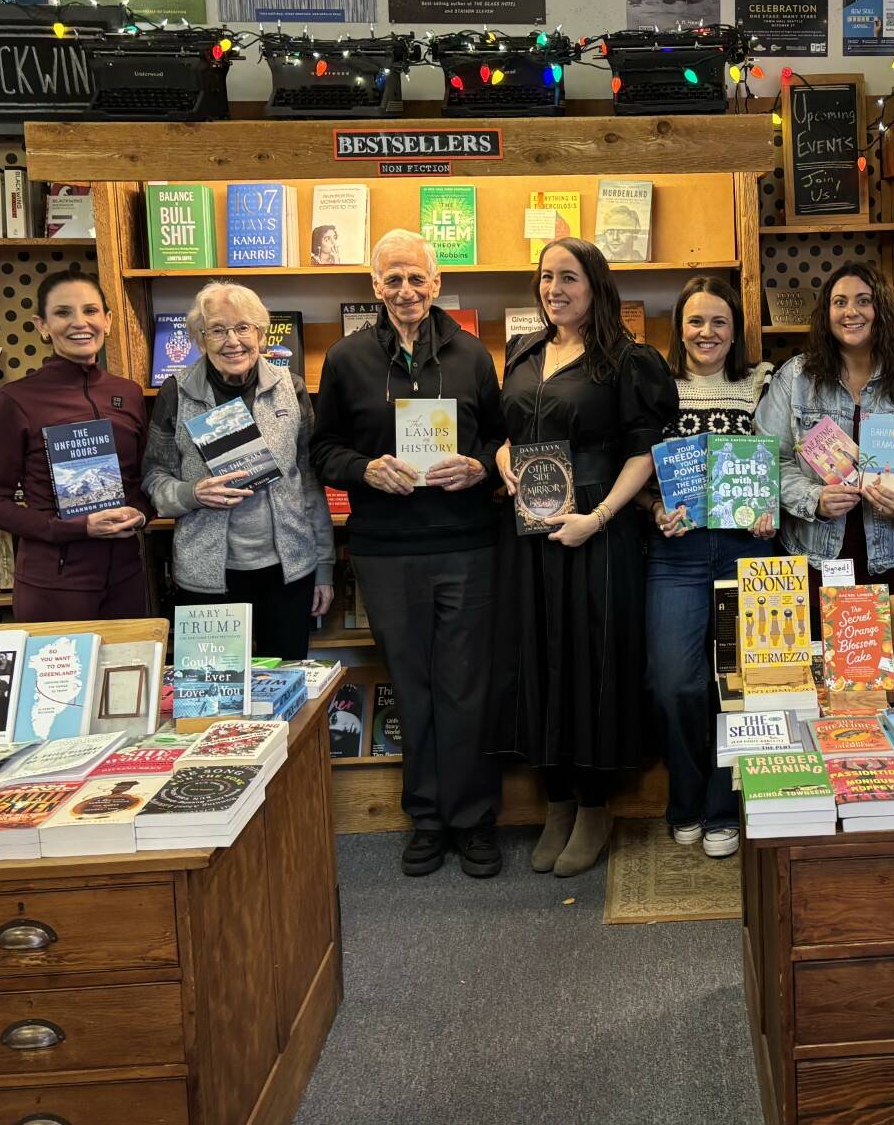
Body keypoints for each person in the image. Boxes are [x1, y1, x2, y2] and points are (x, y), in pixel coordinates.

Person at [311, 229, 505, 881]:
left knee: (466, 687)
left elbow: (503, 441)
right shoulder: (344, 359)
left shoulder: (475, 356)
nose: (405, 291)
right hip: (386, 551)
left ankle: (475, 821)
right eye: (391, 279)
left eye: (415, 278)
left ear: (437, 282)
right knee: (413, 687)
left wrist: (479, 467)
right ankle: (426, 819)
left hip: (466, 545)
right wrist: (365, 470)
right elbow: (323, 449)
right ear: (373, 287)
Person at [493, 238, 676, 879]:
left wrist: (596, 520)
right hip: (529, 532)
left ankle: (596, 806)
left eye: (568, 277)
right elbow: (505, 432)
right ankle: (559, 802)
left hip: (597, 528)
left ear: (595, 285)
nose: (554, 289)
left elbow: (646, 450)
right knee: (539, 655)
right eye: (545, 278)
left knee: (592, 659)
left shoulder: (627, 360)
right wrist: (503, 463)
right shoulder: (522, 351)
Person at [644, 276, 776, 860]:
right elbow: (640, 468)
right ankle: (686, 797)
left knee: (739, 686)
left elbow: (787, 455)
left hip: (747, 550)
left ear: (735, 330)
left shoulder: (763, 382)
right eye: (695, 321)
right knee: (675, 682)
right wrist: (653, 508)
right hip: (676, 553)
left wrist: (770, 509)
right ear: (679, 329)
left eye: (719, 321)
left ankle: (725, 807)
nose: (707, 332)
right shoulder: (656, 386)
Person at [144, 282, 335, 661]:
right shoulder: (176, 393)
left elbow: (309, 481)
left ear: (261, 334)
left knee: (285, 692)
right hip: (207, 574)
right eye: (217, 329)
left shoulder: (290, 388)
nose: (232, 340)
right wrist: (192, 493)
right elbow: (154, 475)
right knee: (212, 693)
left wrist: (324, 566)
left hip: (288, 571)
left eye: (243, 327)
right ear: (200, 338)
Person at [759, 263, 894, 598]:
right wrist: (814, 499)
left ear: (881, 310)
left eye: (864, 300)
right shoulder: (795, 378)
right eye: (840, 302)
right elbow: (769, 460)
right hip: (815, 559)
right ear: (826, 313)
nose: (851, 312)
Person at [0, 271, 150, 621]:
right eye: (63, 313)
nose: (80, 323)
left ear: (108, 320)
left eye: (90, 311)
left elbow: (144, 479)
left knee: (129, 676)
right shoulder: (15, 399)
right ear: (42, 325)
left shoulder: (128, 393)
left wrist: (142, 513)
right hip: (54, 584)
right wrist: (75, 528)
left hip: (126, 578)